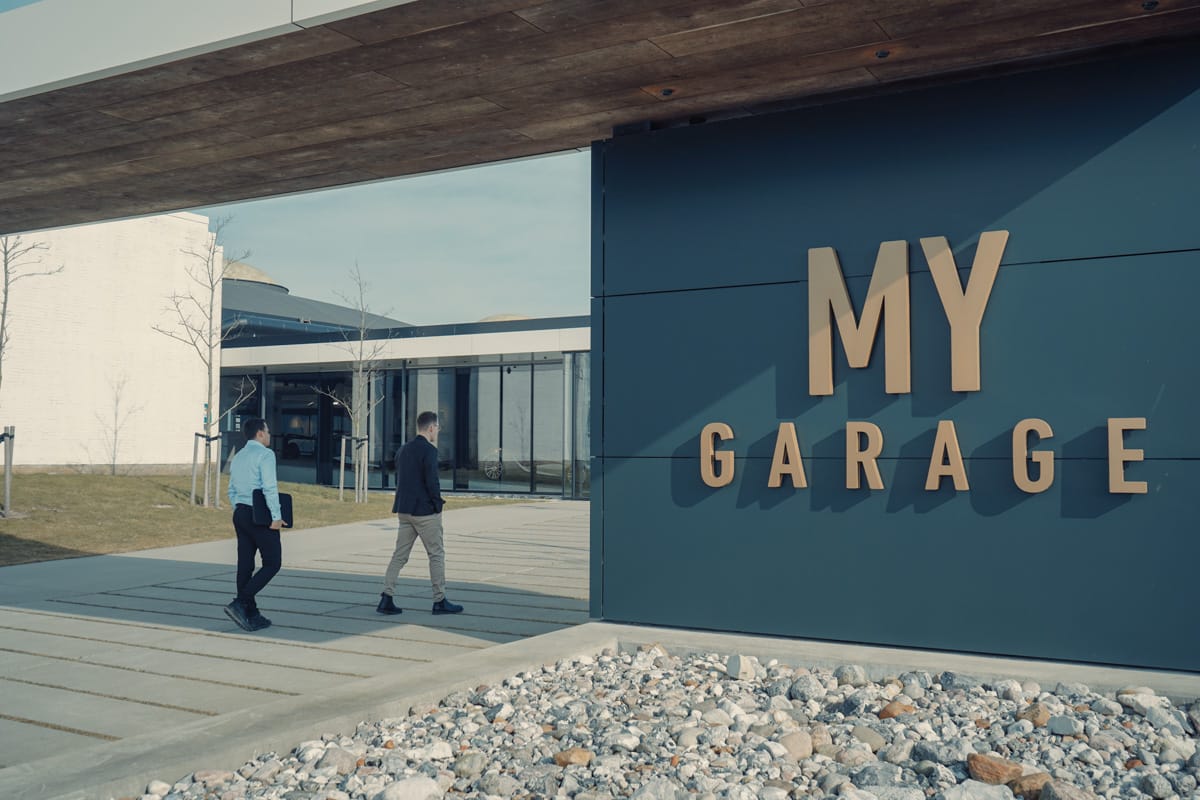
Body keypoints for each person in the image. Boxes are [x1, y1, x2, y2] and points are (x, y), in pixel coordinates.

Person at [377, 410, 464, 616]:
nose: (438, 432)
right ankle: (439, 600)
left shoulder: (403, 450)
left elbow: (401, 479)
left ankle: (386, 597)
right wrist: (438, 505)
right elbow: (432, 481)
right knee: (436, 554)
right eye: (437, 428)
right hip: (424, 512)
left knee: (399, 556)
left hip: (404, 510)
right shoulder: (429, 451)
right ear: (431, 428)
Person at [225, 417, 284, 632]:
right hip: (259, 516)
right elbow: (269, 487)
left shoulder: (239, 456)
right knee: (273, 563)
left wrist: (239, 507)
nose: (269, 435)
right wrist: (276, 516)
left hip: (240, 513)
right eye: (267, 432)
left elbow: (231, 489)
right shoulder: (265, 455)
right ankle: (241, 602)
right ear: (260, 433)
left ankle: (251, 613)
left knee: (245, 565)